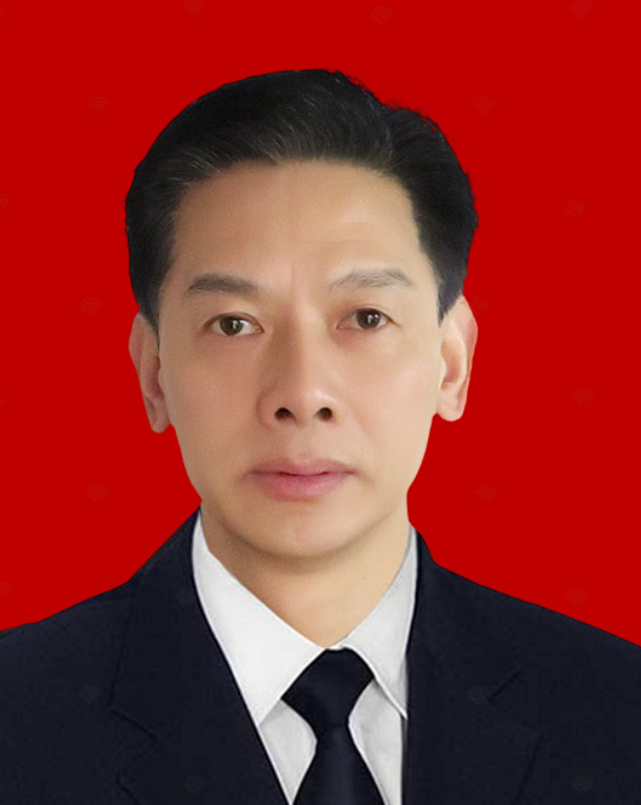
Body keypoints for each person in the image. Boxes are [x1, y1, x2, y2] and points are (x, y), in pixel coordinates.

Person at [0, 68, 639, 805]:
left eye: (365, 318)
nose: (301, 395)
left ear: (452, 363)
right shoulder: (21, 717)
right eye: (233, 324)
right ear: (153, 373)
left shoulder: (616, 712)